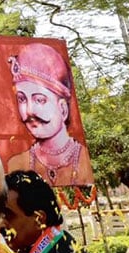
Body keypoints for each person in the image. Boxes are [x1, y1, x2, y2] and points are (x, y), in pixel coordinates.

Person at [6, 42, 93, 185]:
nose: (29, 111)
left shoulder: (83, 158)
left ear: (63, 109)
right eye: (22, 99)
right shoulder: (16, 165)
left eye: (39, 100)